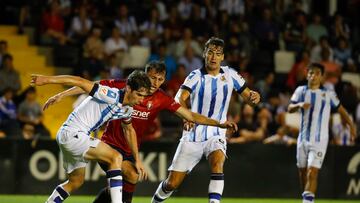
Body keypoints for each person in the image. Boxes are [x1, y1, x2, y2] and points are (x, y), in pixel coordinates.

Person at [42, 60, 237, 203]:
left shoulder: (161, 99)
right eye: (153, 77)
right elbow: (87, 86)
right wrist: (60, 94)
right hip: (109, 142)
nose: (156, 82)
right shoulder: (125, 88)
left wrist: (219, 124)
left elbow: (191, 116)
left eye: (160, 79)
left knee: (86, 180)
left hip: (127, 148)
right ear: (145, 75)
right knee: (122, 167)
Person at [152, 37, 260, 203]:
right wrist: (185, 116)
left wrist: (254, 97)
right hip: (193, 135)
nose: (213, 57)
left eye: (217, 54)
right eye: (210, 53)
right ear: (204, 54)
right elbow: (179, 98)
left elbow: (249, 98)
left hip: (217, 132)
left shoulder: (230, 75)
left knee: (218, 163)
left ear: (222, 57)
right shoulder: (195, 76)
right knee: (172, 184)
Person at [30, 70, 152, 203]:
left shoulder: (127, 109)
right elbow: (80, 81)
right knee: (115, 157)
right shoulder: (111, 94)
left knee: (76, 181)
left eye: (144, 96)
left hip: (69, 135)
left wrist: (137, 160)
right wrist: (46, 80)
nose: (141, 100)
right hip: (73, 134)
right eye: (139, 95)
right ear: (128, 88)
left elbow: (129, 130)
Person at [288, 63, 356, 203]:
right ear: (307, 74)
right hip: (303, 139)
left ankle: (307, 202)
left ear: (321, 76)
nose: (313, 76)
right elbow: (289, 108)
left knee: (312, 172)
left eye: (317, 73)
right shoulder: (301, 91)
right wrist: (299, 105)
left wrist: (351, 126)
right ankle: (306, 199)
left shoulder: (328, 94)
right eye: (311, 73)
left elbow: (342, 110)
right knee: (302, 173)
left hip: (319, 140)